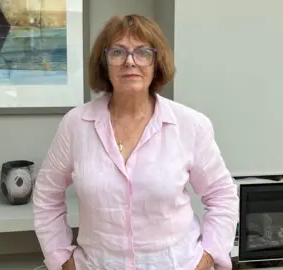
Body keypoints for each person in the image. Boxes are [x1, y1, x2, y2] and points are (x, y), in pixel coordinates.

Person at [32, 14, 239, 270]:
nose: (130, 62)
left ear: (156, 62)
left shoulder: (190, 125)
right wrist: (61, 259)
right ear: (104, 63)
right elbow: (47, 195)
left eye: (142, 53)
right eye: (118, 52)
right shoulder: (75, 125)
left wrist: (207, 257)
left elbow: (222, 195)